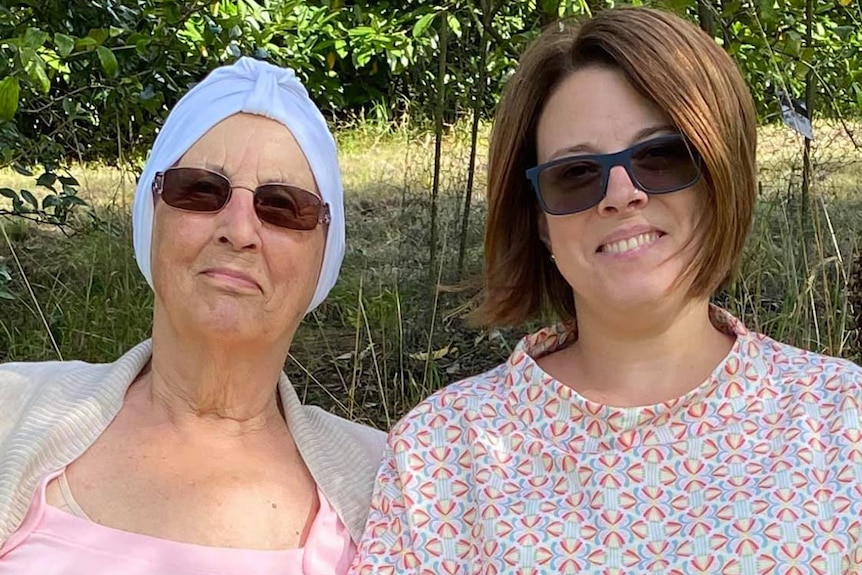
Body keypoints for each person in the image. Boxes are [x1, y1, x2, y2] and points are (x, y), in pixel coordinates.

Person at [351, 7, 862, 574]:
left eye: (661, 156)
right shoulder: (440, 456)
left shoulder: (842, 423)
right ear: (540, 219)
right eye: (575, 174)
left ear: (722, 177)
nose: (620, 193)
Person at [0, 57, 385, 574]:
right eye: (200, 190)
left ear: (324, 255)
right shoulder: (12, 408)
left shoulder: (392, 479)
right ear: (151, 215)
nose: (239, 230)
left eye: (284, 206)